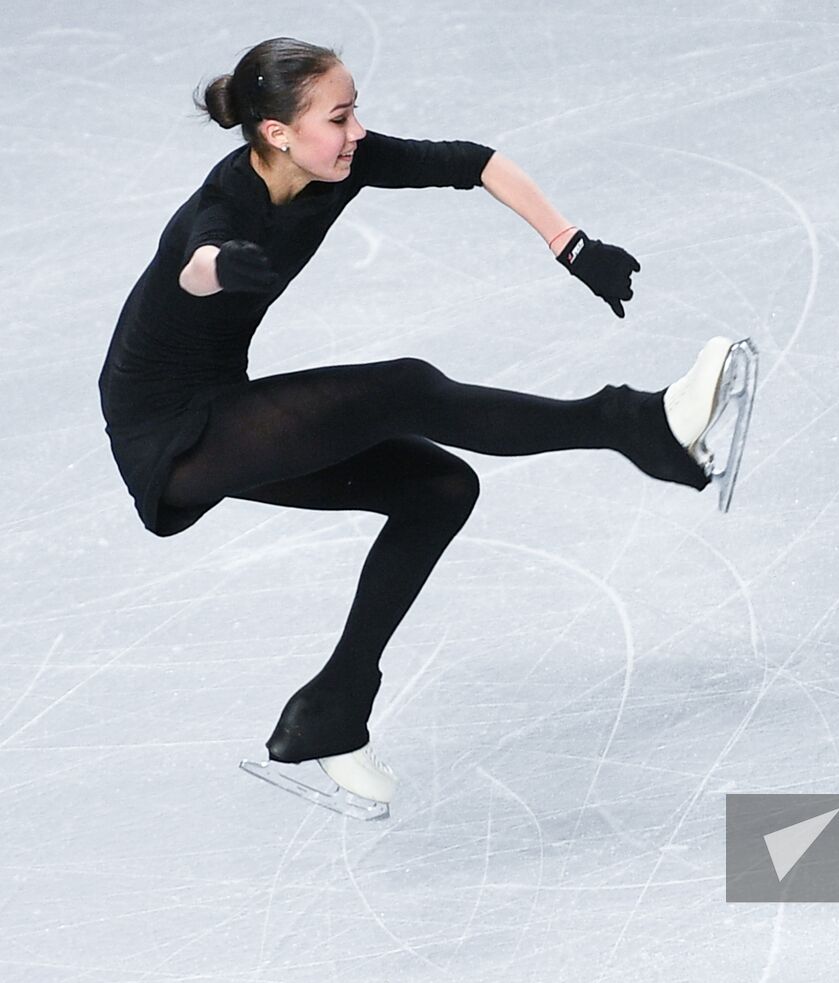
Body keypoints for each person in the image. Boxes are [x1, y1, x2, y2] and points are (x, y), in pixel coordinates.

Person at [97, 37, 757, 820]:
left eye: (354, 112)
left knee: (440, 488)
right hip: (167, 428)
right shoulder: (230, 201)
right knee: (405, 389)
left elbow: (473, 161)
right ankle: (636, 423)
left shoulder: (345, 161)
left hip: (221, 405)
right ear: (277, 134)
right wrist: (227, 265)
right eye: (337, 117)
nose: (355, 131)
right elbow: (196, 260)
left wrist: (568, 244)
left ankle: (332, 711)